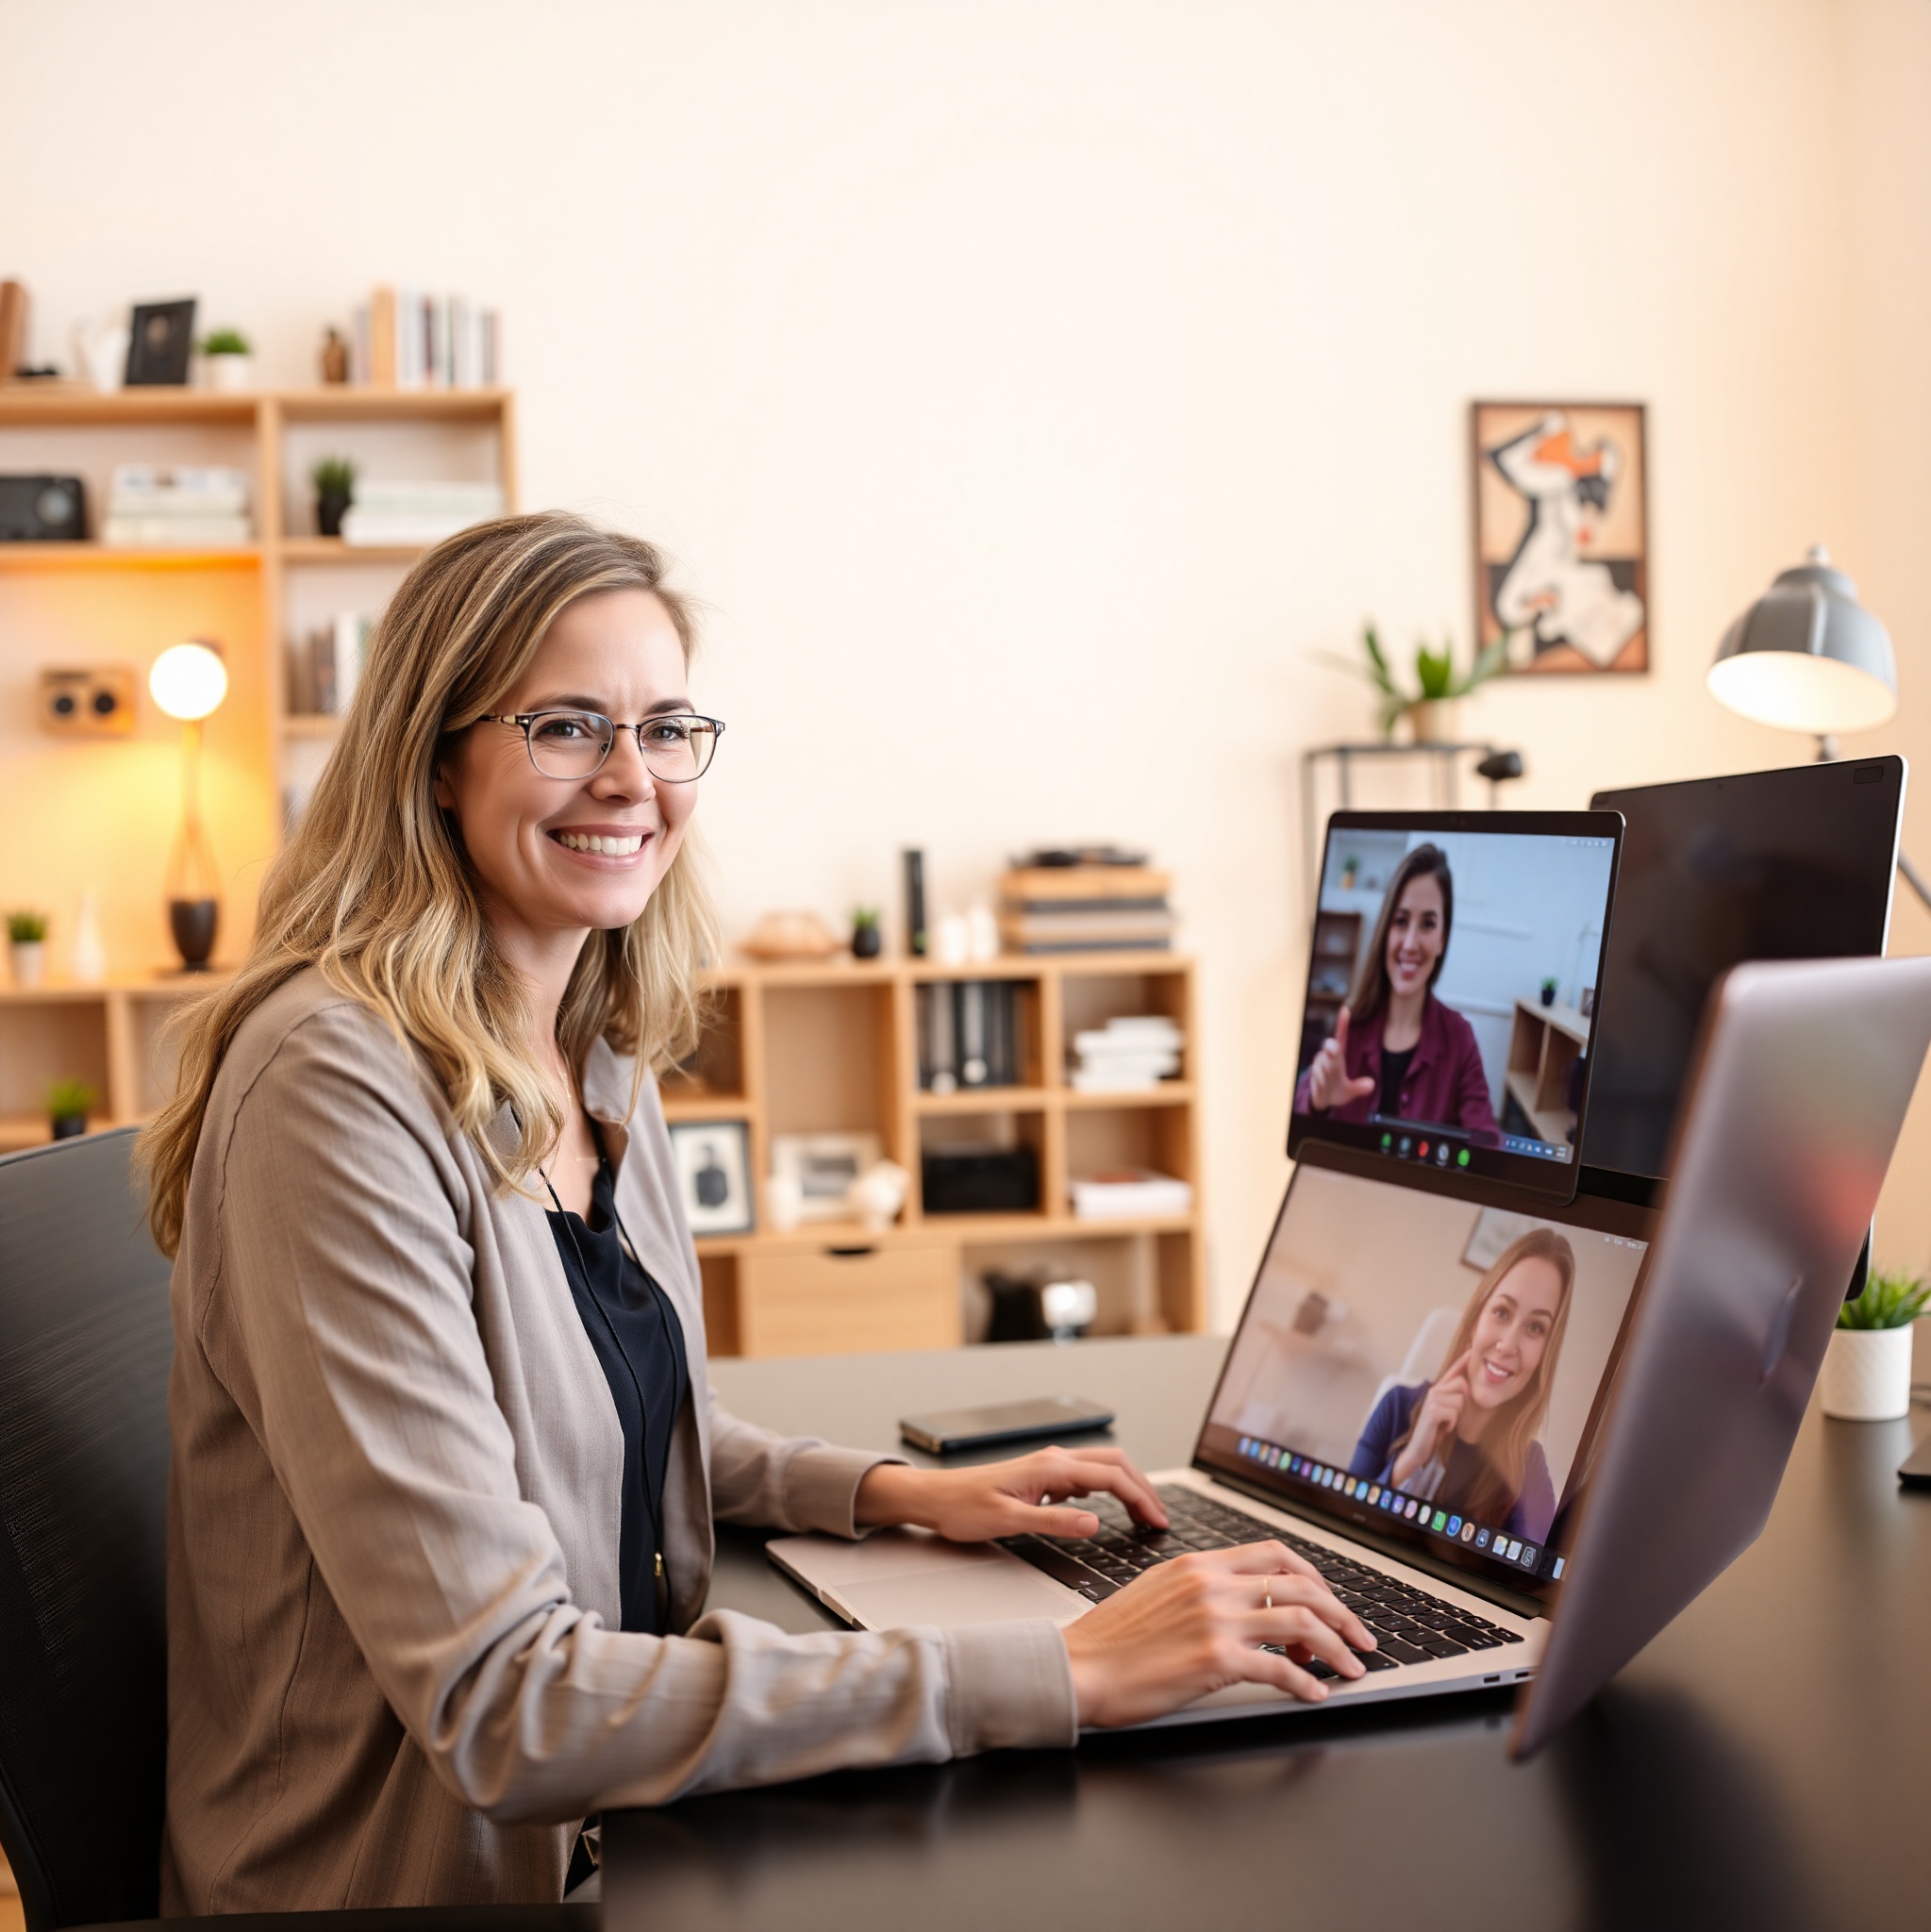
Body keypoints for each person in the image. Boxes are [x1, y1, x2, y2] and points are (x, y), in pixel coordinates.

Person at [140, 512, 1374, 1914]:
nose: (630, 778)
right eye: (564, 725)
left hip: (609, 1816)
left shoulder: (596, 1042)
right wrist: (1064, 1668)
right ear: (434, 757)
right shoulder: (334, 1090)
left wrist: (899, 1496)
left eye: (666, 728)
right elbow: (501, 1702)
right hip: (405, 1881)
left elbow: (599, 1424)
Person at [1344, 1227, 1573, 1543]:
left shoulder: (1529, 1467)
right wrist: (1412, 1459)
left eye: (1535, 1327)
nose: (1508, 1345)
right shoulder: (1396, 1405)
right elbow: (1342, 1526)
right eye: (1502, 1312)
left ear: (1544, 1356)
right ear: (1474, 1323)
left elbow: (1528, 1582)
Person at [1294, 842, 1499, 1139]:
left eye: (1427, 924)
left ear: (1442, 939)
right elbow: (1300, 1125)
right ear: (1385, 931)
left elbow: (1487, 1142)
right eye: (1401, 921)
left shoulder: (1460, 1038)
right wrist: (1318, 1102)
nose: (1410, 943)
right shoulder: (1347, 1029)